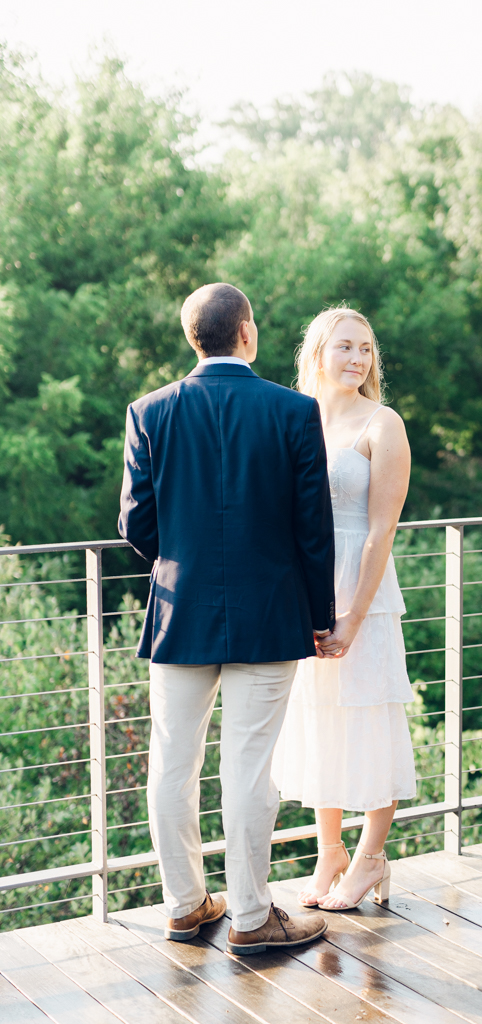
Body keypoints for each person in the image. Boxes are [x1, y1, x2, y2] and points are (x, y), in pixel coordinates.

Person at [118, 282, 335, 954]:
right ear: (247, 331)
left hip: (179, 617)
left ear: (194, 338)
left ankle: (184, 907)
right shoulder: (293, 411)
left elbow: (135, 525)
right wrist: (320, 616)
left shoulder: (149, 410)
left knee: (171, 766)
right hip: (269, 616)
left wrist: (182, 559)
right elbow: (312, 530)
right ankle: (249, 918)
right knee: (247, 769)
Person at [272, 306, 415, 911]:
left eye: (367, 349)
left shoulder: (383, 425)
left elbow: (381, 532)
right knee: (321, 715)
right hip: (308, 587)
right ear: (318, 353)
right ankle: (329, 849)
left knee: (371, 717)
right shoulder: (296, 420)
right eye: (346, 347)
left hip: (363, 592)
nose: (358, 359)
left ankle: (371, 856)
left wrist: (354, 614)